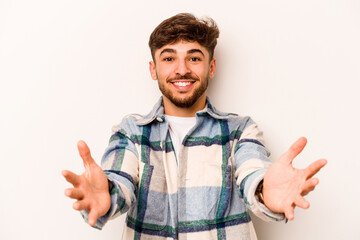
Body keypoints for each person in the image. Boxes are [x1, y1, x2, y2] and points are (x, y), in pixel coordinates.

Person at [62, 13, 327, 240]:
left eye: (194, 58)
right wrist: (106, 194)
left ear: (211, 67)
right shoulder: (131, 132)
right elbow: (120, 181)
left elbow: (253, 170)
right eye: (168, 59)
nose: (181, 69)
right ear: (153, 70)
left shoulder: (240, 130)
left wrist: (264, 190)